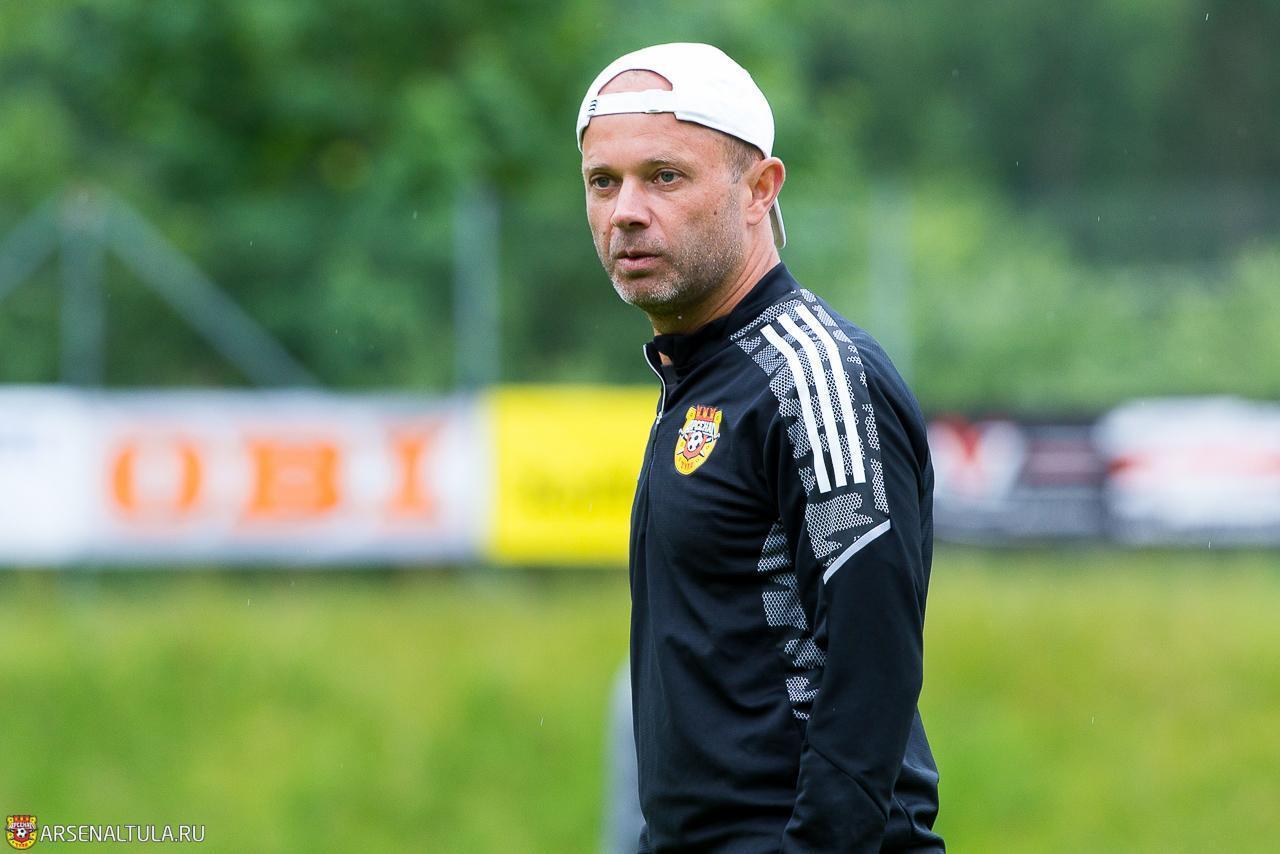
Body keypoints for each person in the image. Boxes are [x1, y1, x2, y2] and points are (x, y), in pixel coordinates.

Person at [577, 43, 944, 853]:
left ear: (759, 190)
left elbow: (872, 666)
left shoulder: (812, 376)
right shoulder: (699, 376)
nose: (626, 210)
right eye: (604, 182)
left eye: (664, 176)